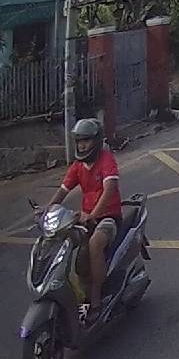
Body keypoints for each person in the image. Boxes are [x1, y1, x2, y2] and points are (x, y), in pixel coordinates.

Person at [44, 118, 121, 322]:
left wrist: (94, 214)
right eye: (79, 141)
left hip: (108, 217)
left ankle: (96, 299)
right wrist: (46, 210)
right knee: (67, 248)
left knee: (95, 244)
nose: (82, 146)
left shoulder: (106, 159)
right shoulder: (78, 166)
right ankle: (76, 295)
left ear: (96, 141)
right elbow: (63, 190)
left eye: (86, 141)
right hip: (86, 220)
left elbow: (109, 189)